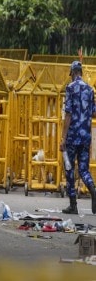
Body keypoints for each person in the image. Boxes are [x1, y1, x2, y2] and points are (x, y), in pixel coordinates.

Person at [60, 60, 96, 215]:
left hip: (73, 136)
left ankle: (73, 205)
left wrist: (63, 137)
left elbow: (68, 114)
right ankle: (94, 190)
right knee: (83, 170)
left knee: (69, 168)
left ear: (72, 73)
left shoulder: (70, 88)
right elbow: (94, 112)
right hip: (85, 135)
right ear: (80, 72)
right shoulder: (90, 90)